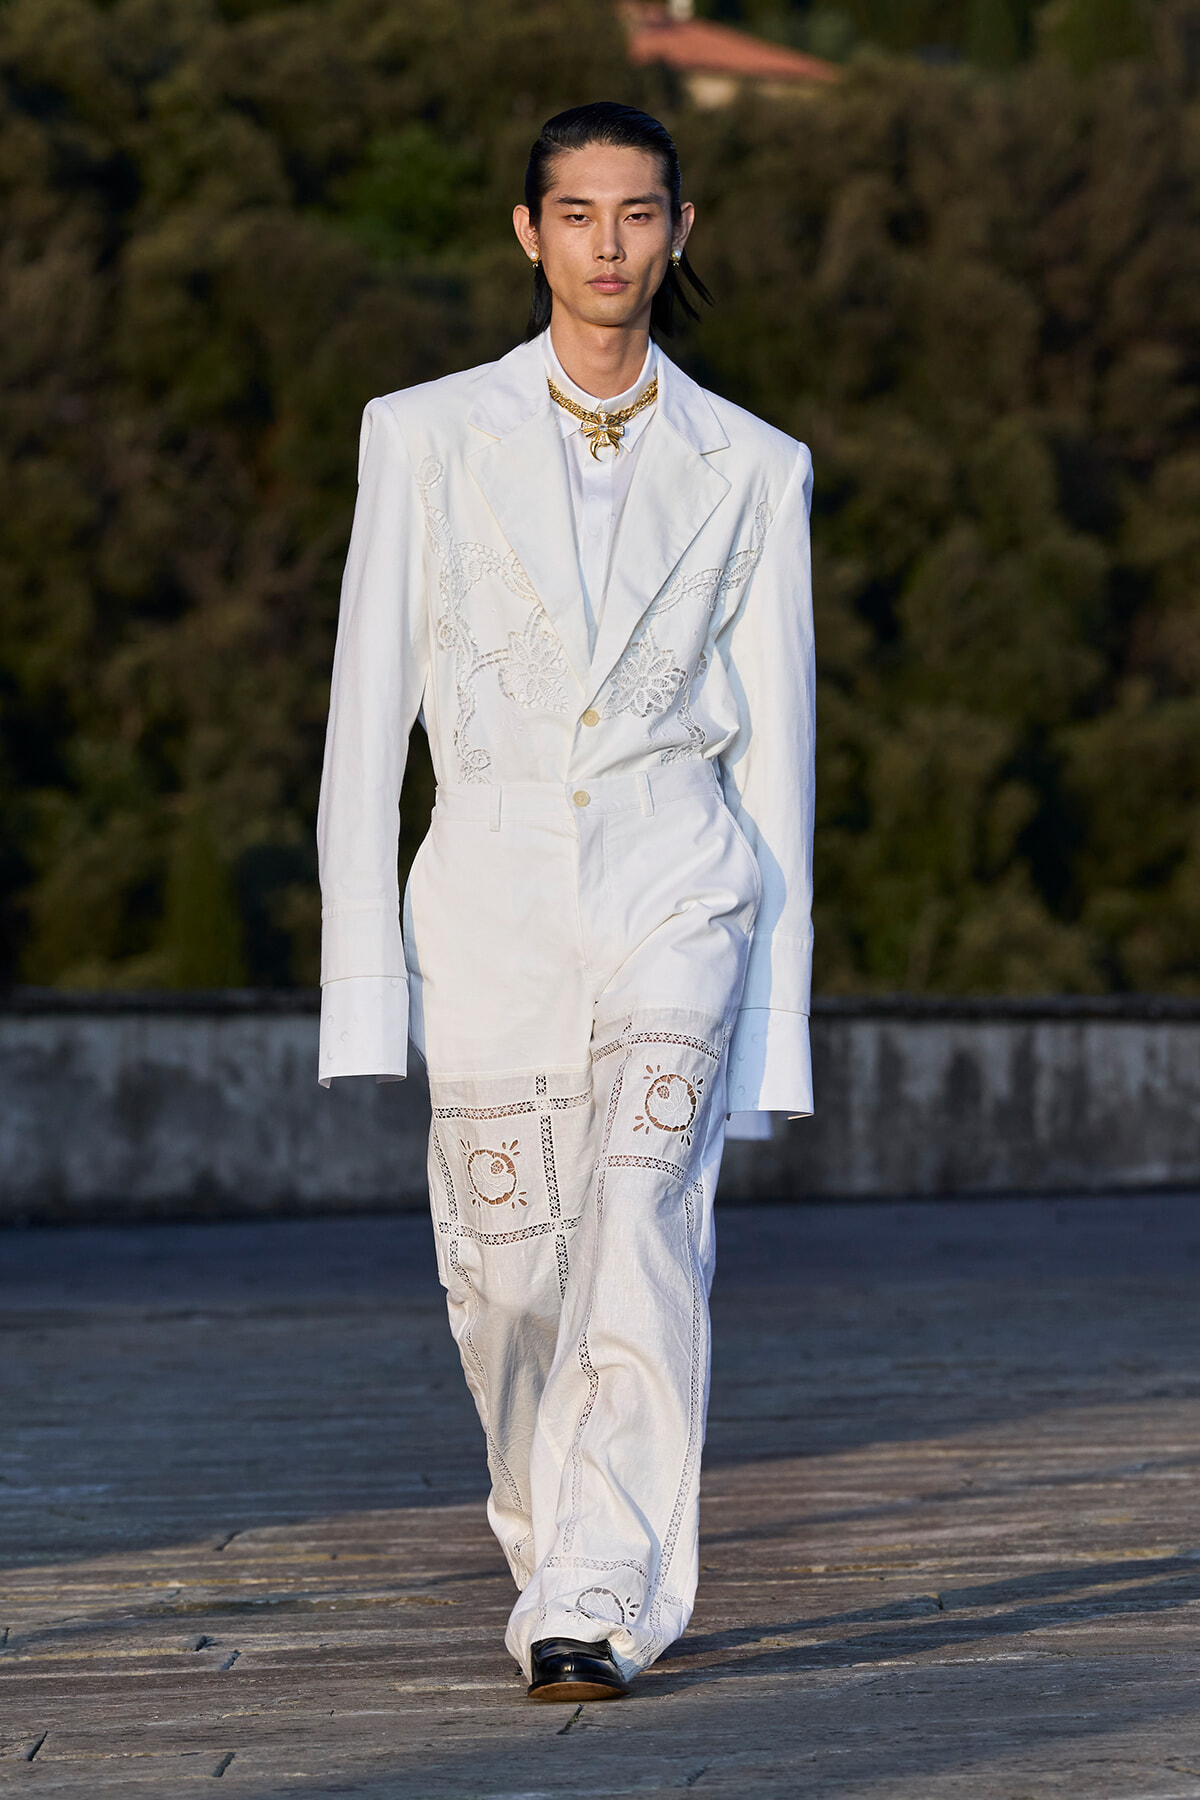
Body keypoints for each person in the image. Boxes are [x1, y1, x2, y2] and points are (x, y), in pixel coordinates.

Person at [316, 101, 814, 1702]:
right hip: (491, 899)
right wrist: (360, 989)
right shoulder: (424, 433)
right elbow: (362, 725)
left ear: (683, 229)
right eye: (578, 214)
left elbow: (783, 754)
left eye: (641, 213)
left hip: (680, 882)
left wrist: (779, 1031)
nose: (611, 245)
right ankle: (549, 1529)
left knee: (644, 1234)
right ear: (528, 233)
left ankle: (597, 1588)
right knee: (513, 1272)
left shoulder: (755, 467)